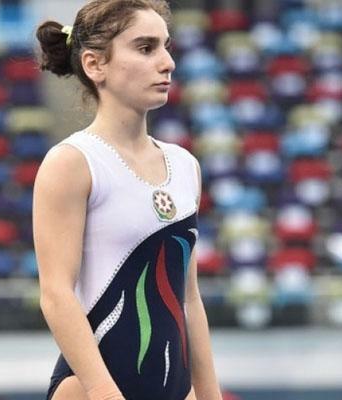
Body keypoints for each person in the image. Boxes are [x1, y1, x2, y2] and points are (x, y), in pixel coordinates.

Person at [32, 1, 222, 399]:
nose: (168, 62)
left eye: (167, 46)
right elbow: (56, 294)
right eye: (146, 47)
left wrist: (209, 394)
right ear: (94, 64)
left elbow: (188, 299)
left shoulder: (185, 166)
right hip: (90, 390)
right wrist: (104, 392)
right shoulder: (73, 163)